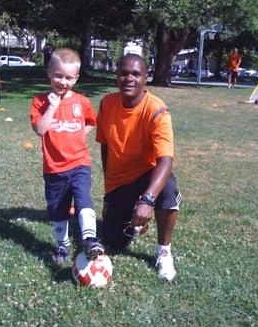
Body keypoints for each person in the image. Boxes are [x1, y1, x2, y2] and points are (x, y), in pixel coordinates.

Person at [96, 54, 182, 282]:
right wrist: (109, 182)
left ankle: (163, 250)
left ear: (145, 78)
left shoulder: (156, 109)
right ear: (117, 77)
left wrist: (147, 199)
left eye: (135, 74)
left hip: (147, 175)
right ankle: (130, 220)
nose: (129, 79)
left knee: (168, 190)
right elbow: (105, 144)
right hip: (119, 181)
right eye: (124, 73)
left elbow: (165, 160)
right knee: (115, 242)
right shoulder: (107, 104)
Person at [30, 48, 104, 264]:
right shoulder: (40, 102)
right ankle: (62, 246)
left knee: (83, 198)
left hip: (80, 163)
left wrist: (79, 133)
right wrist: (52, 107)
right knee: (57, 210)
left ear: (76, 78)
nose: (63, 82)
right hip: (54, 168)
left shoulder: (82, 102)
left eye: (69, 77)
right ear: (49, 73)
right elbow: (40, 130)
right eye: (58, 76)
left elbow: (91, 122)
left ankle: (90, 239)